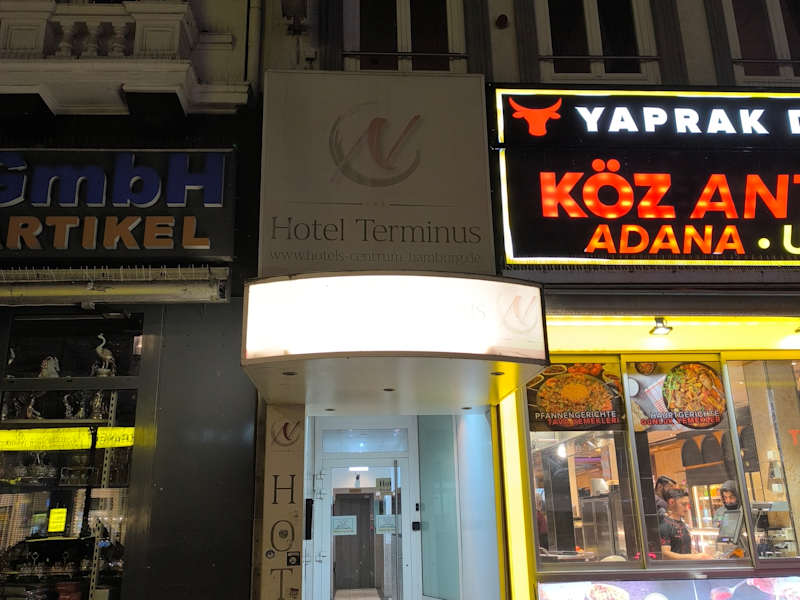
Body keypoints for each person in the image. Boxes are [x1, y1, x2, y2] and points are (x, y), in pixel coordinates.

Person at [659, 488, 712, 559]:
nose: (687, 509)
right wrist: (694, 557)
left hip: (686, 565)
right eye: (683, 504)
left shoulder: (682, 524)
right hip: (677, 566)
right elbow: (665, 554)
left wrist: (698, 555)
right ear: (671, 502)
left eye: (687, 505)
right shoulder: (665, 525)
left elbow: (685, 549)